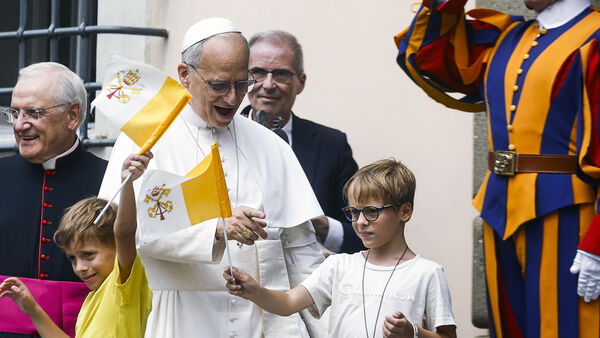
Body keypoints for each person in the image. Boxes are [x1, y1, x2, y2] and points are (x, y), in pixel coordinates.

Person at [98, 17, 327, 338]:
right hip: (182, 317)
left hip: (263, 321)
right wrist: (216, 231)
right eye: (219, 85)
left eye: (241, 84)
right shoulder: (145, 138)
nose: (233, 99)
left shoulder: (270, 145)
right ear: (184, 75)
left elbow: (301, 249)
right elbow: (125, 234)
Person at [396, 0, 600, 336]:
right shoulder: (506, 36)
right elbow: (428, 55)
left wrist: (596, 243)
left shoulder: (593, 39)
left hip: (567, 217)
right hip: (498, 210)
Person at [224, 159, 457, 338]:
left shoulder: (428, 273)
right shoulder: (339, 266)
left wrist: (413, 333)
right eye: (354, 212)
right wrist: (254, 291)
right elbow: (287, 303)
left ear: (404, 211)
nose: (361, 221)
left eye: (372, 211)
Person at [0, 62, 108, 337]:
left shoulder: (109, 180)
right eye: (15, 112)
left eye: (34, 112)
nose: (20, 124)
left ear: (73, 115)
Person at [0, 151, 153, 337]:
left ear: (115, 246)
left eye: (88, 255)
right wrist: (32, 308)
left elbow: (125, 233)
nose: (80, 267)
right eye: (73, 259)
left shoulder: (123, 286)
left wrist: (127, 181)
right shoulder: (90, 300)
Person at [241, 30, 363, 254]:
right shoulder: (216, 136)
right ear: (242, 77)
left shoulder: (332, 146)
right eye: (257, 72)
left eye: (281, 74)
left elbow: (366, 232)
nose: (268, 84)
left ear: (301, 82)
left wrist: (323, 226)